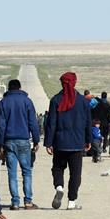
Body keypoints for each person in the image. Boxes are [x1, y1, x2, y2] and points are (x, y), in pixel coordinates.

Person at [44, 72, 92, 210]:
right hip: (77, 143)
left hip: (60, 143)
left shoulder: (55, 100)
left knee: (58, 168)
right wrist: (88, 140)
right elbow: (88, 122)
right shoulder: (83, 101)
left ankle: (59, 187)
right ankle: (71, 202)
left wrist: (48, 142)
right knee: (75, 173)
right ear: (75, 82)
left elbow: (51, 123)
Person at [0, 79, 40, 210]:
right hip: (23, 140)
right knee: (26, 171)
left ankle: (15, 202)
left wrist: (1, 143)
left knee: (12, 173)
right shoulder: (27, 101)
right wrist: (36, 140)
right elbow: (33, 122)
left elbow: (1, 125)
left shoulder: (3, 103)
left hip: (9, 140)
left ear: (9, 89)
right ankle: (28, 201)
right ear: (20, 88)